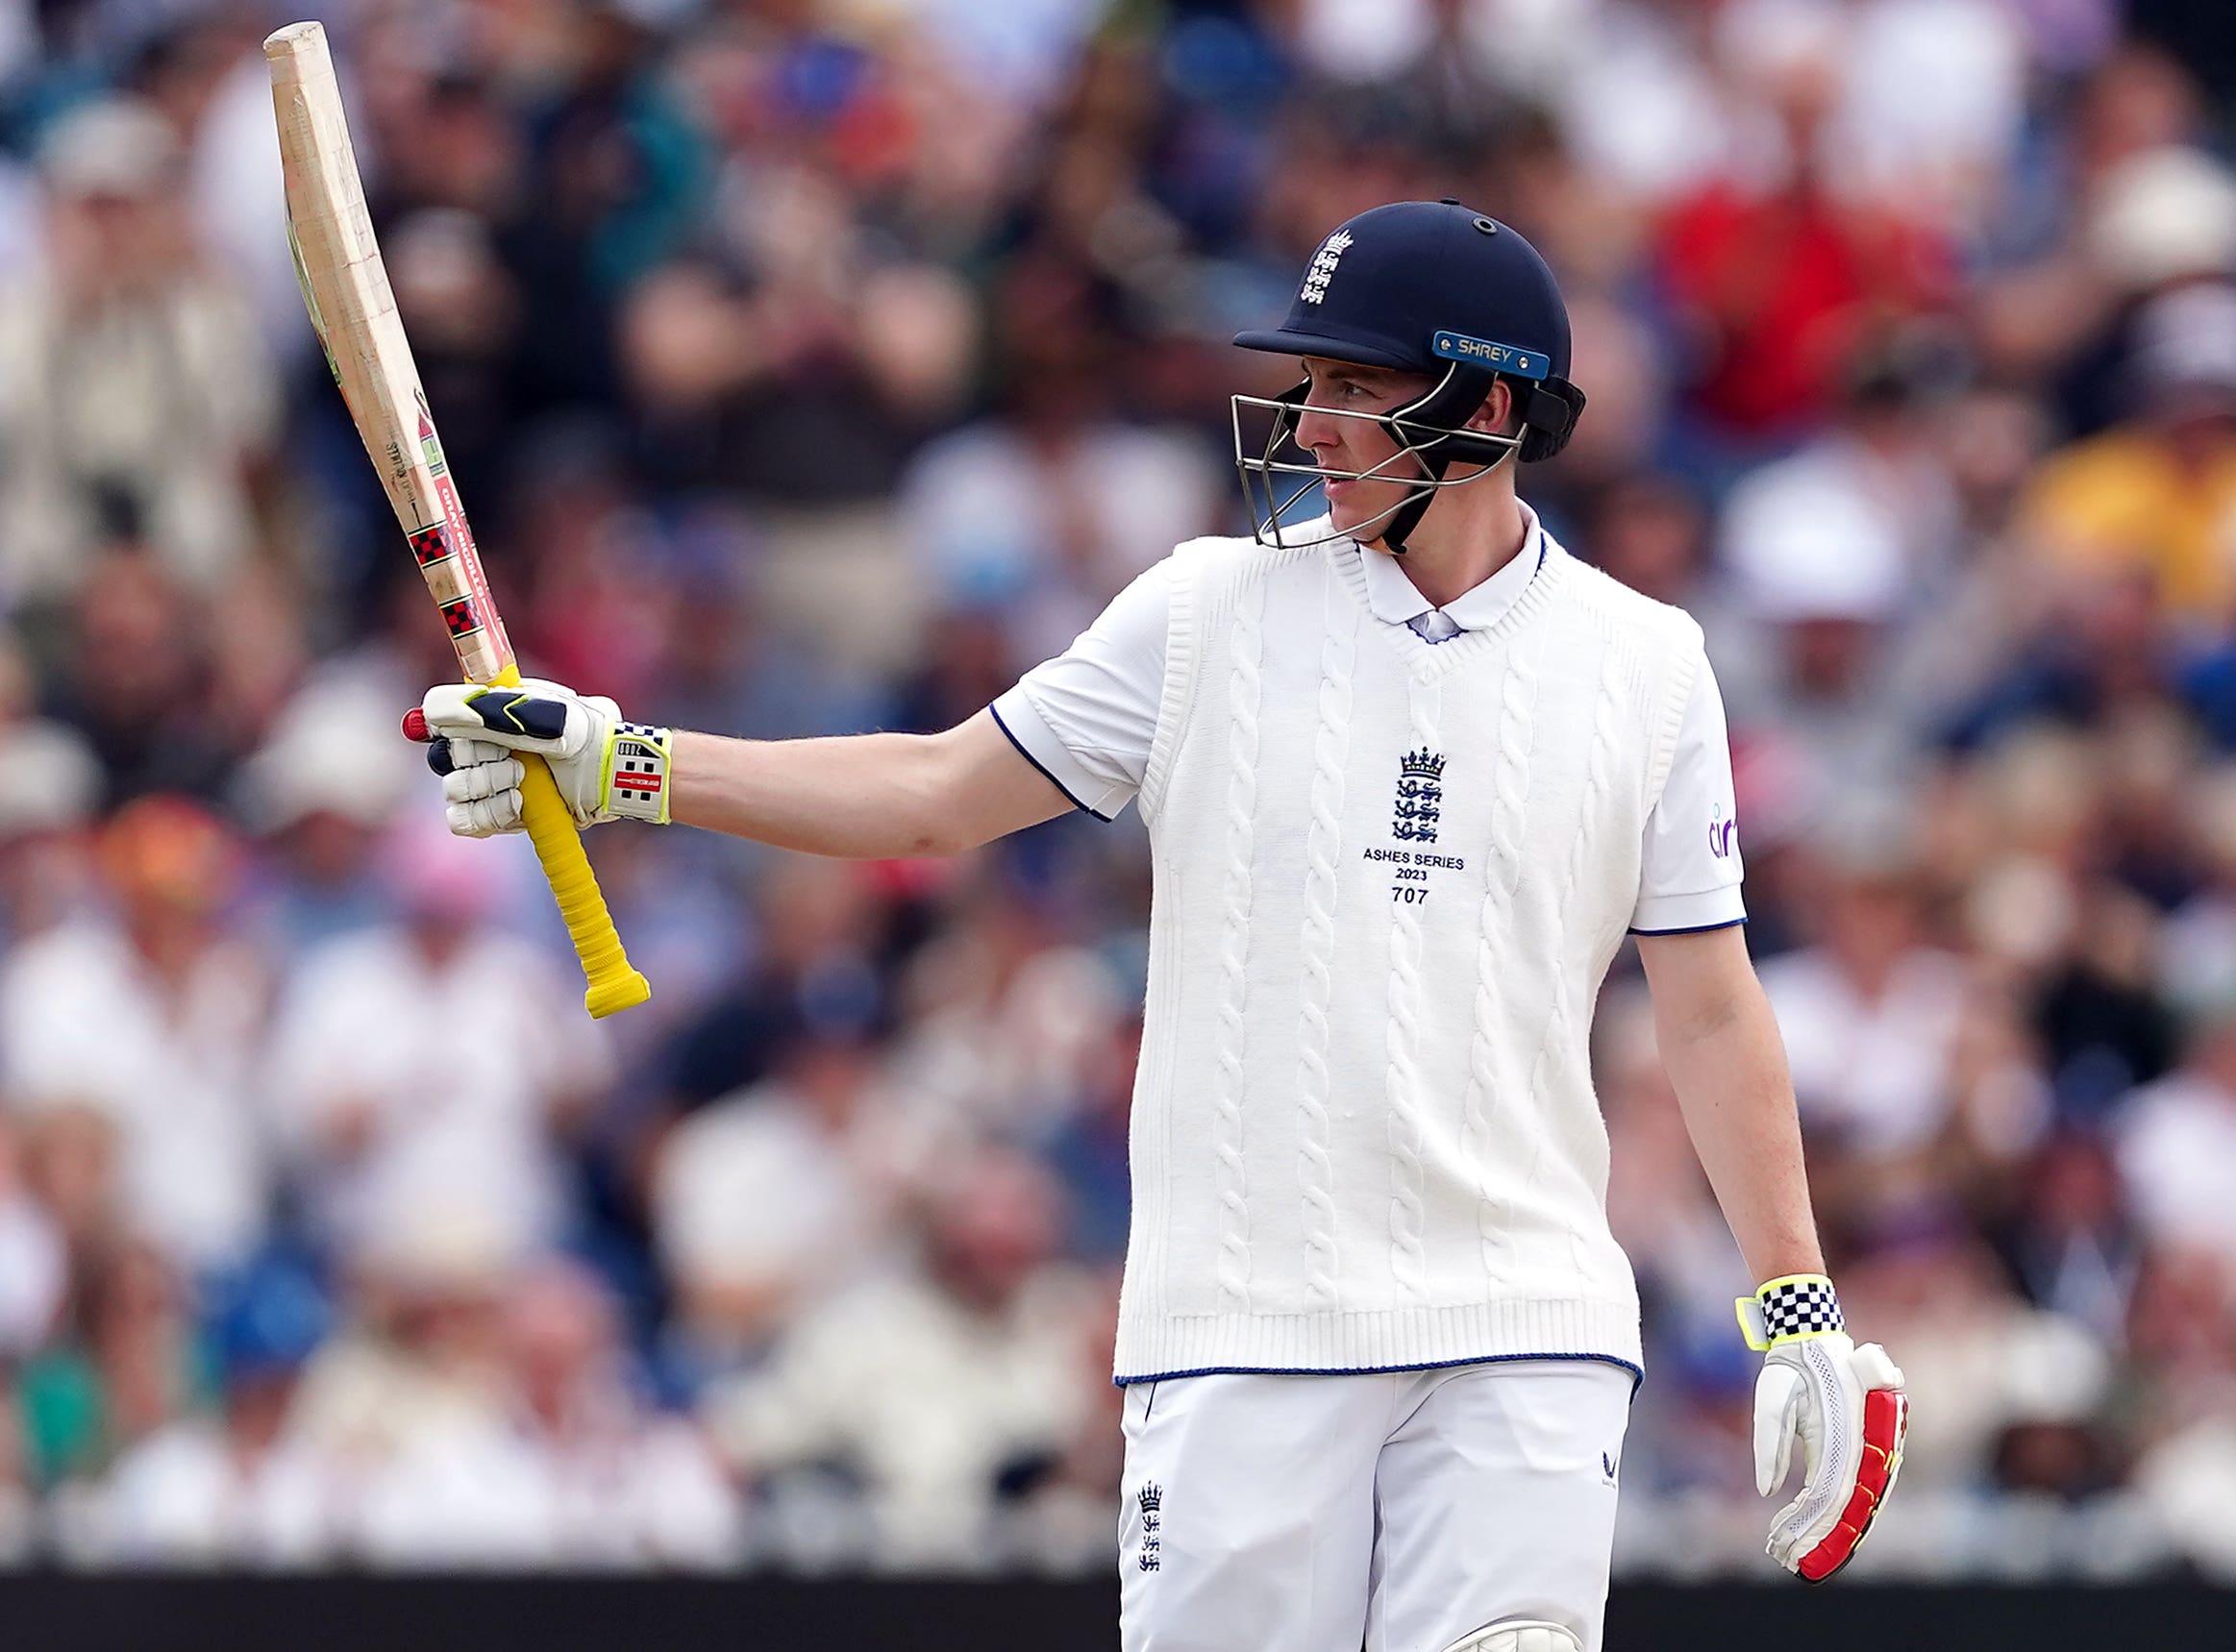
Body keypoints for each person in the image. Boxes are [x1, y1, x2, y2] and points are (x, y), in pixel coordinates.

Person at [408, 201, 1906, 1651]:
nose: (1309, 424)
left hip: (1522, 1311)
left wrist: (1794, 1304)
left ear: (1494, 408)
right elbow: (936, 793)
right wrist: (624, 764)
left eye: (1356, 387)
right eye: (1306, 384)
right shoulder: (1203, 612)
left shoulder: (1648, 666)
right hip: (1241, 1316)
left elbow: (1708, 1010)